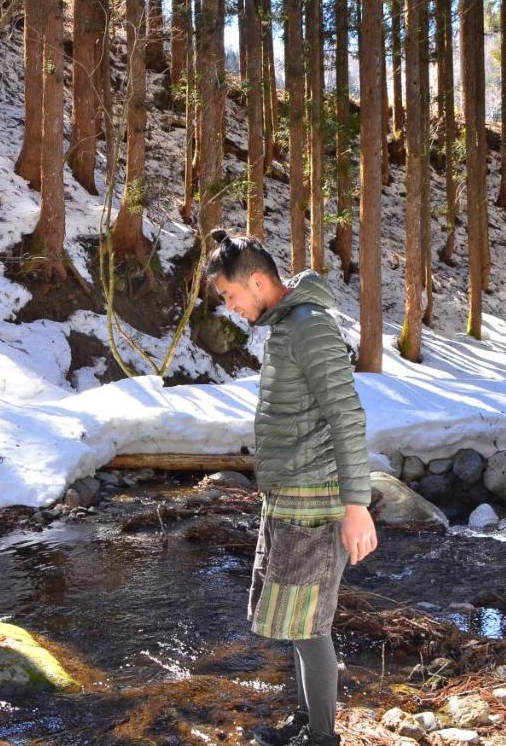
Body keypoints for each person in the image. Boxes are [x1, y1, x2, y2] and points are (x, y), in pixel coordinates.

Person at [204, 229, 377, 746]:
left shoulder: (310, 329)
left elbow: (346, 416)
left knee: (311, 626)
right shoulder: (286, 327)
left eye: (231, 297)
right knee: (296, 622)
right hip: (288, 500)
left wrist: (357, 506)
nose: (231, 308)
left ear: (257, 282)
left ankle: (322, 738)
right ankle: (306, 722)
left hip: (316, 504)